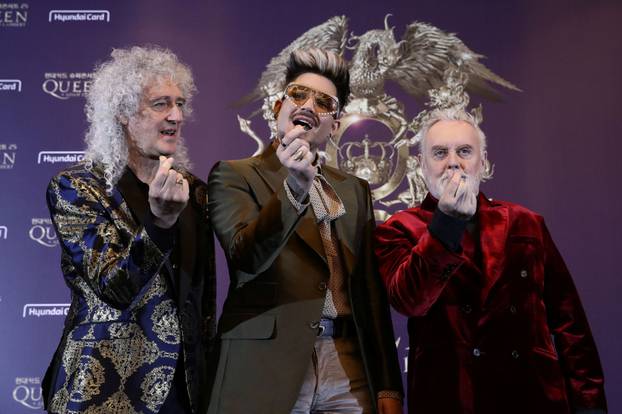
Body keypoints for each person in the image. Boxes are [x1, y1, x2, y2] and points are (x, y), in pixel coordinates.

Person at [207, 48, 403, 414]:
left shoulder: (354, 190)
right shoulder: (234, 174)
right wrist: (294, 190)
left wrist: (389, 388)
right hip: (268, 363)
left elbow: (369, 293)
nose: (308, 105)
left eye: (324, 102)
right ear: (278, 107)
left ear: (335, 126)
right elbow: (245, 256)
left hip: (347, 363)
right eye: (298, 94)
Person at [374, 107, 607, 414]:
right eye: (440, 152)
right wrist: (446, 223)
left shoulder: (526, 223)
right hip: (450, 396)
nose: (453, 162)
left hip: (530, 395)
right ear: (421, 165)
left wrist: (589, 406)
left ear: (482, 163)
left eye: (465, 151)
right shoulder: (399, 229)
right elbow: (410, 300)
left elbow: (569, 323)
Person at [42, 46, 216, 414]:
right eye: (160, 104)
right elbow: (114, 287)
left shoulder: (194, 192)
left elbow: (201, 304)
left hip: (184, 394)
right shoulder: (77, 188)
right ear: (122, 112)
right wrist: (160, 223)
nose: (176, 115)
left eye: (181, 103)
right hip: (101, 390)